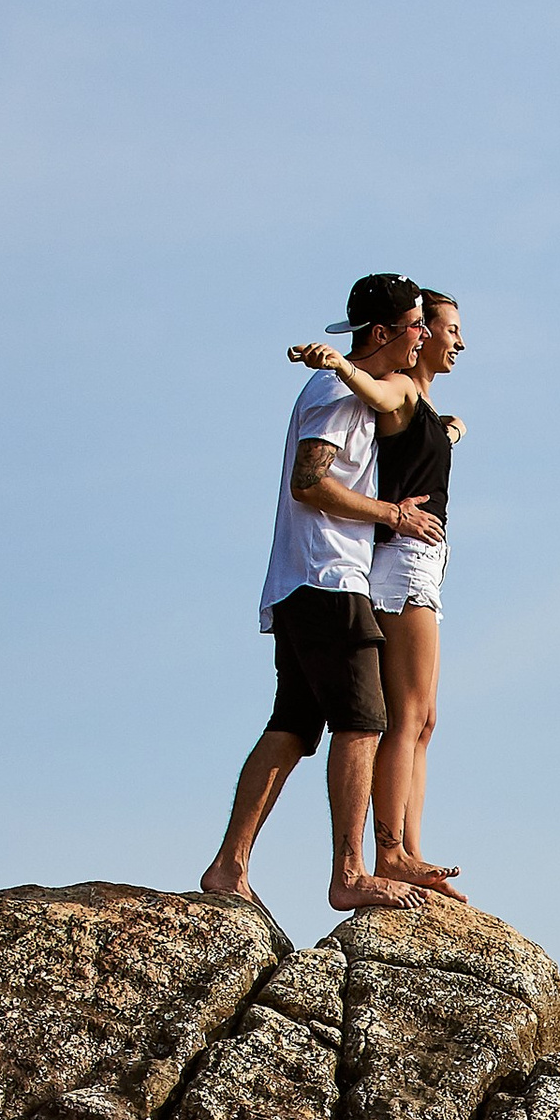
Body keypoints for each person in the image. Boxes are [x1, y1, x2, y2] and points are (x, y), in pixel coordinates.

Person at [199, 272, 448, 912]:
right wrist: (392, 515)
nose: (423, 337)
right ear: (386, 333)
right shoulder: (337, 395)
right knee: (365, 721)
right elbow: (308, 483)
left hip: (304, 582)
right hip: (327, 578)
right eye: (417, 325)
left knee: (293, 725)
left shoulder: (351, 391)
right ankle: (349, 872)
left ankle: (228, 866)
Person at [288, 285, 464, 898]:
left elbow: (413, 435)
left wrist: (451, 431)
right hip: (397, 562)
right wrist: (340, 363)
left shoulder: (424, 406)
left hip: (417, 559)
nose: (450, 341)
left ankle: (407, 848)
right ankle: (391, 852)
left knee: (423, 718)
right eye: (437, 327)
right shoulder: (389, 389)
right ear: (398, 332)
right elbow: (376, 393)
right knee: (401, 715)